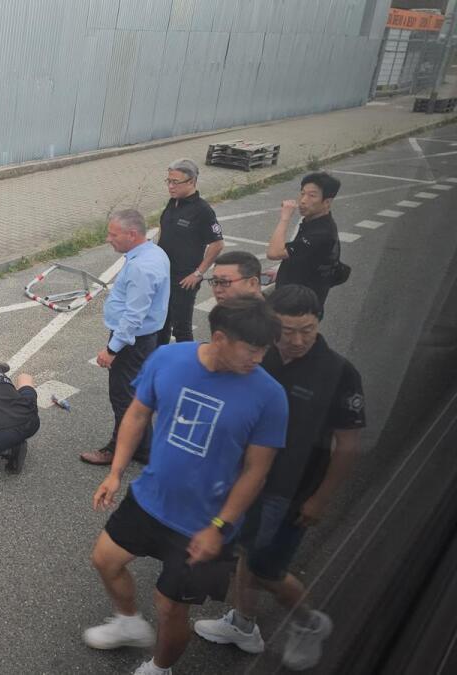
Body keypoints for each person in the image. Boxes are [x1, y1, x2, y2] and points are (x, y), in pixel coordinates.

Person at [83, 297, 288, 675]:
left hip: (205, 523)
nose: (259, 358)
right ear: (220, 338)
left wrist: (220, 527)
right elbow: (137, 414)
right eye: (252, 348)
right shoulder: (167, 359)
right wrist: (115, 472)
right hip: (150, 498)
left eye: (264, 349)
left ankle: (160, 668)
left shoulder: (270, 396)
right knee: (104, 560)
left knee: (170, 607)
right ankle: (128, 621)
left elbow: (255, 473)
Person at [194, 285, 365, 671]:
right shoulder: (258, 355)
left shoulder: (339, 372)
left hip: (291, 491)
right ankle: (243, 624)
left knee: (266, 569)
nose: (298, 340)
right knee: (245, 552)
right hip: (244, 479)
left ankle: (309, 623)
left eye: (308, 329)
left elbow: (349, 444)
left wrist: (321, 498)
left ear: (319, 322)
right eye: (287, 331)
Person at [81, 209, 170, 466]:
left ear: (132, 234)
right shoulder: (153, 252)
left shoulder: (142, 266)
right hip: (143, 338)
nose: (108, 239)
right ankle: (144, 448)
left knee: (124, 397)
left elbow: (134, 316)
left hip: (133, 342)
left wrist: (112, 349)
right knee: (135, 395)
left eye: (113, 234)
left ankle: (118, 449)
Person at [156, 159, 224, 345]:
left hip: (184, 280)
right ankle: (161, 358)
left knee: (181, 328)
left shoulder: (203, 211)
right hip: (164, 275)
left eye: (175, 182)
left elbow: (217, 244)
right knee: (160, 324)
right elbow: (163, 230)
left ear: (192, 182)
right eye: (168, 181)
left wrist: (198, 273)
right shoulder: (173, 203)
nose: (170, 186)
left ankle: (186, 360)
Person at [266, 172, 342, 312]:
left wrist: (285, 218)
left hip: (299, 307)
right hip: (290, 291)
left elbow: (274, 253)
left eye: (312, 196)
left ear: (327, 202)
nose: (303, 200)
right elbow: (300, 256)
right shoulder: (312, 222)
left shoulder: (322, 233)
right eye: (302, 193)